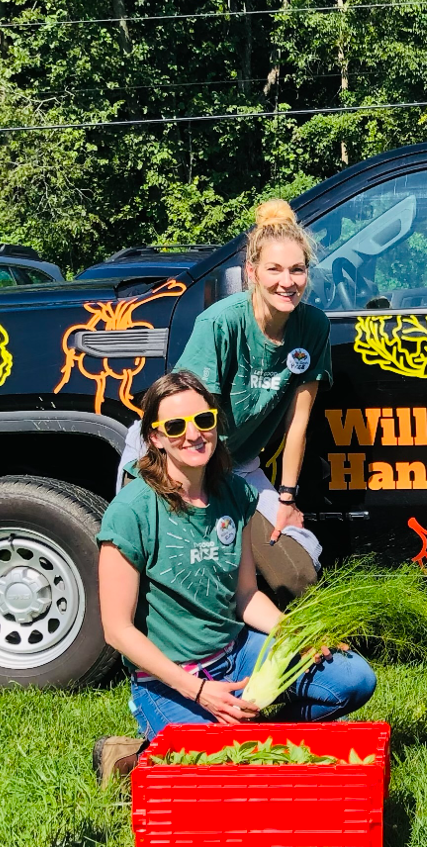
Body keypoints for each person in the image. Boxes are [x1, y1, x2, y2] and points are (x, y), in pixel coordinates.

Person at [92, 371, 375, 787]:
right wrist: (197, 690)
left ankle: (254, 743)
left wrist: (295, 633)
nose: (193, 434)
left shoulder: (233, 494)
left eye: (203, 420)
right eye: (176, 426)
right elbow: (116, 630)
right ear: (155, 438)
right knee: (220, 776)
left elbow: (246, 595)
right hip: (171, 677)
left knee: (353, 679)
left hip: (237, 653)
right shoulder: (131, 510)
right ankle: (130, 757)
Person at [120, 198, 332, 605]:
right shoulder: (221, 322)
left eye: (297, 269)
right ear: (252, 272)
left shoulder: (313, 326)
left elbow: (298, 424)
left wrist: (286, 499)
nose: (287, 282)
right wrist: (204, 498)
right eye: (274, 269)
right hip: (173, 457)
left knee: (297, 573)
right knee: (186, 568)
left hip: (238, 465)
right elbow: (187, 421)